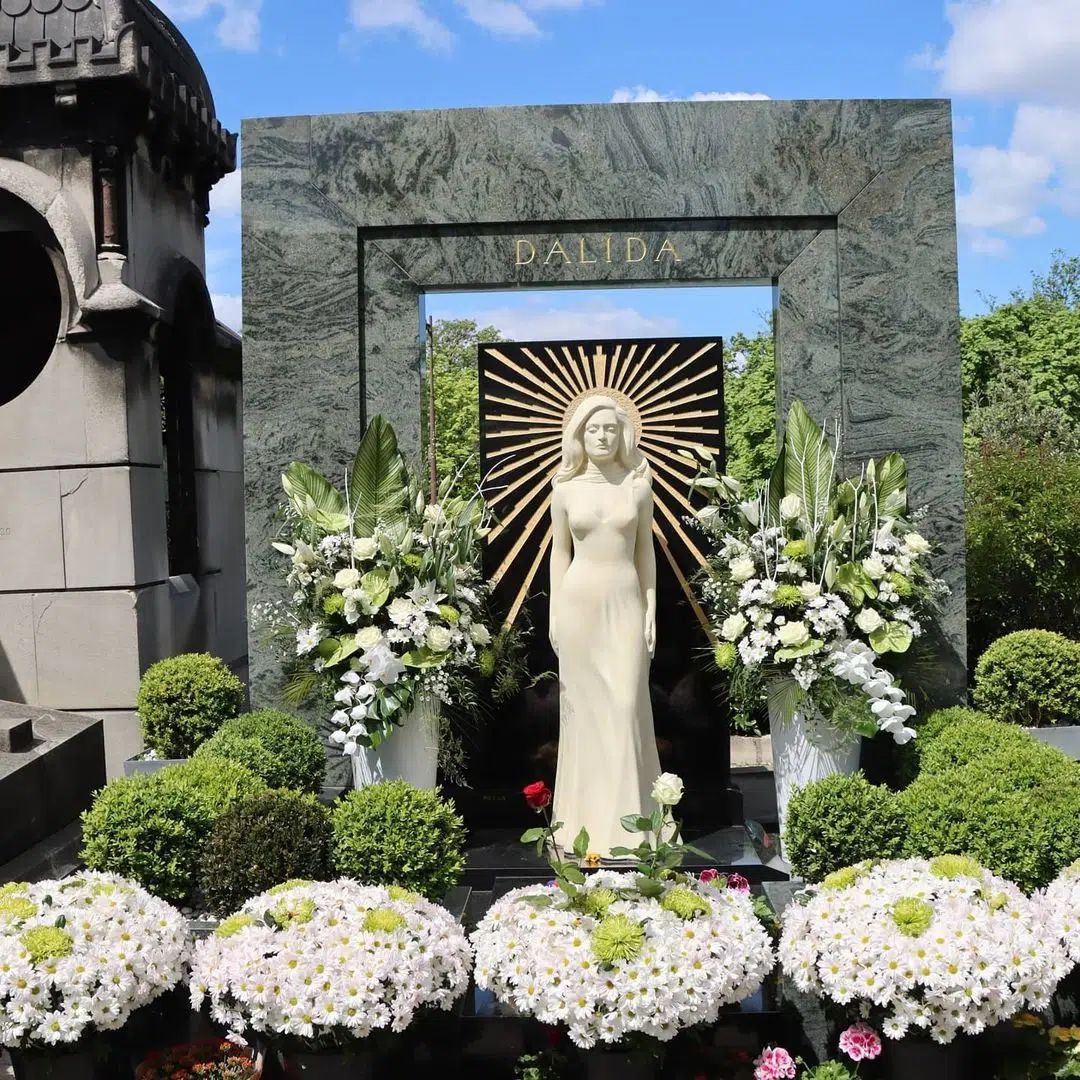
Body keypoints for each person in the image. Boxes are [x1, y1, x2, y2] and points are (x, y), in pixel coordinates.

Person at [548, 393, 662, 857]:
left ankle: (633, 830)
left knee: (625, 705)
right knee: (583, 716)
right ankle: (581, 827)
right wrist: (555, 613)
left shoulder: (638, 486)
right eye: (592, 430)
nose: (601, 436)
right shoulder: (565, 489)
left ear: (623, 435)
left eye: (609, 429)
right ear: (578, 435)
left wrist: (652, 606)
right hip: (578, 606)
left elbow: (645, 552)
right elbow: (560, 553)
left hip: (626, 601)